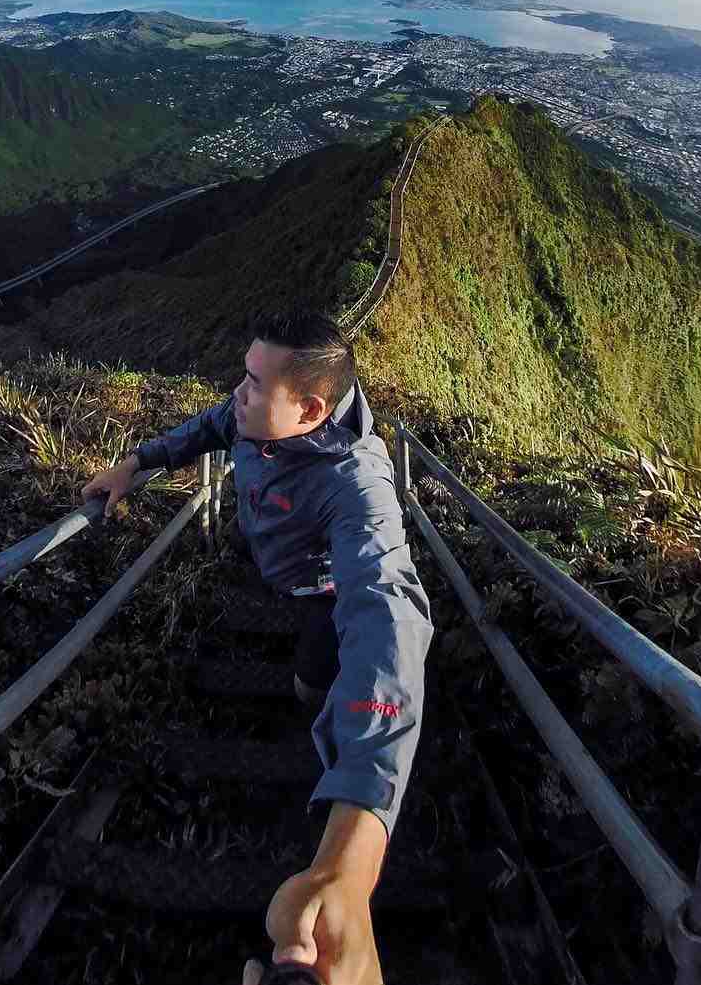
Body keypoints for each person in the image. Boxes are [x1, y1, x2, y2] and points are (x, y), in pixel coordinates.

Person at [81, 310, 434, 985]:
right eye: (243, 376)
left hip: (324, 598)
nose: (236, 393)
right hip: (272, 562)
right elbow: (211, 423)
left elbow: (388, 618)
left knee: (312, 682)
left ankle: (321, 738)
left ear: (309, 408)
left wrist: (349, 864)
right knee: (305, 677)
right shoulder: (258, 415)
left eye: (251, 382)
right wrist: (137, 462)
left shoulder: (357, 487)